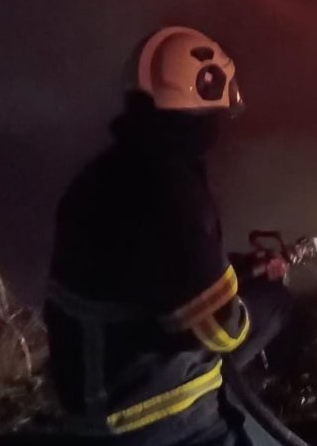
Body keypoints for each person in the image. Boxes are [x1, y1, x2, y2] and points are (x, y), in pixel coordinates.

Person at [44, 26, 292, 444]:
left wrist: (239, 270)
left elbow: (157, 276)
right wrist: (254, 293)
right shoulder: (172, 191)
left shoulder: (107, 174)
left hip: (94, 396)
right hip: (148, 417)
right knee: (273, 303)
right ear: (204, 99)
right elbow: (220, 330)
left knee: (271, 303)